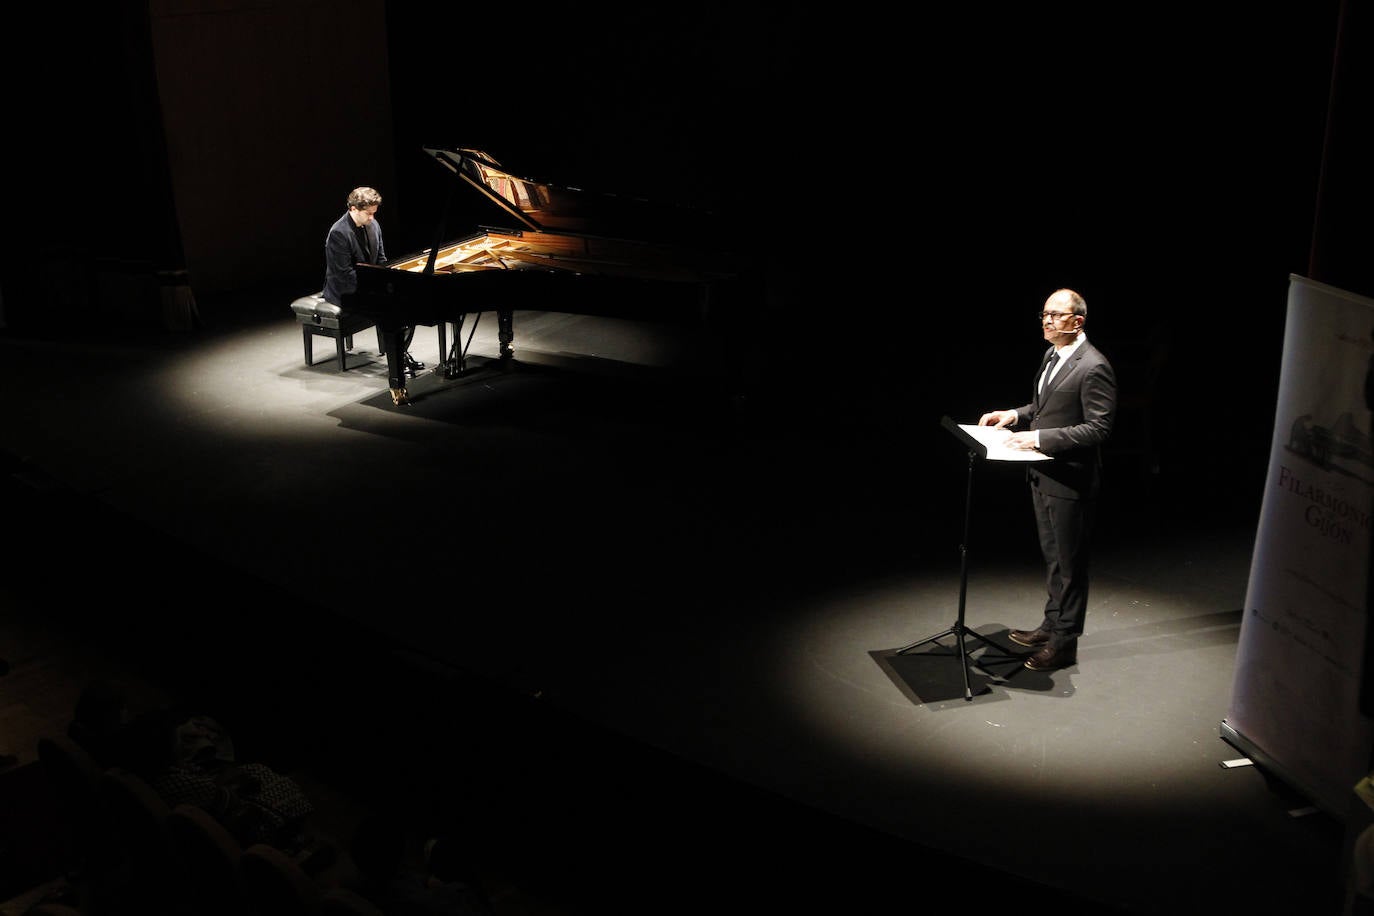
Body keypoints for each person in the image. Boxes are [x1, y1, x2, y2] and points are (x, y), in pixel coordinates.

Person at [978, 287, 1118, 671]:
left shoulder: (1094, 366)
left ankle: (1064, 642)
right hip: (1043, 474)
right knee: (1054, 559)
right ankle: (1051, 623)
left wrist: (1038, 438)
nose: (1047, 320)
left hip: (1070, 480)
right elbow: (1045, 408)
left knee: (1071, 564)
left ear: (1077, 322)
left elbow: (1098, 428)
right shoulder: (1052, 355)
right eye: (1044, 314)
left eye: (1056, 315)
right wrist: (1015, 415)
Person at [323, 186, 424, 396]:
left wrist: (389, 279)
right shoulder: (338, 233)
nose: (372, 218)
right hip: (344, 290)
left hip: (367, 283)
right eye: (368, 213)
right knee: (391, 309)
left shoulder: (373, 224)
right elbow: (344, 275)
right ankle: (397, 362)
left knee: (407, 300)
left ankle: (399, 352)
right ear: (353, 209)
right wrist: (376, 289)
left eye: (374, 213)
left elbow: (381, 259)